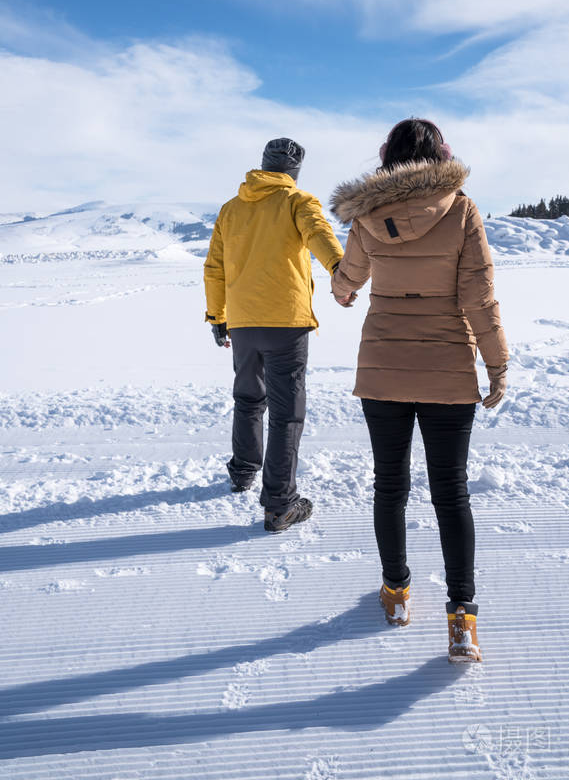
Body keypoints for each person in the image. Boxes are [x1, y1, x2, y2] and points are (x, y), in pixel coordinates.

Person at [330, 119, 509, 663]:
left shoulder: (366, 213)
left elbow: (347, 281)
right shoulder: (460, 208)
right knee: (450, 492)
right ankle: (462, 618)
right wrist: (497, 364)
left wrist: (342, 291)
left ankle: (396, 593)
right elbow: (480, 296)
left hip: (383, 364)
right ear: (442, 155)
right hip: (448, 367)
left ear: (387, 156)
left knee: (390, 485)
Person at [204, 138, 344, 533]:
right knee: (286, 413)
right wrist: (340, 269)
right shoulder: (298, 201)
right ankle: (280, 504)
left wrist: (218, 316)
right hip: (286, 322)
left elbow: (214, 267)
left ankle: (243, 471)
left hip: (244, 322)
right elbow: (318, 233)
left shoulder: (231, 210)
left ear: (263, 165)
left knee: (248, 397)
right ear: (293, 173)